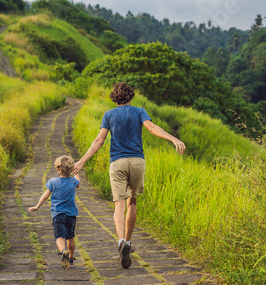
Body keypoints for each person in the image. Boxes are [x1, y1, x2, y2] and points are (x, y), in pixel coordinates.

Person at [74, 82, 185, 269]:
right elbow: (151, 128)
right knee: (132, 201)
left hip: (117, 163)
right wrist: (173, 138)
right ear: (131, 97)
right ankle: (129, 241)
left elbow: (99, 140)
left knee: (118, 205)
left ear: (114, 98)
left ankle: (121, 241)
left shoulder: (108, 115)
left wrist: (82, 160)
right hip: (136, 162)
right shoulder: (139, 111)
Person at [28, 155, 80, 269]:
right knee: (70, 236)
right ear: (71, 169)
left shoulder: (53, 182)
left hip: (57, 214)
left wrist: (37, 206)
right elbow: (79, 183)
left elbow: (45, 196)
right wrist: (76, 173)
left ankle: (63, 251)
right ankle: (71, 257)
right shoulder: (73, 182)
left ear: (57, 169)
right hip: (71, 214)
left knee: (59, 237)